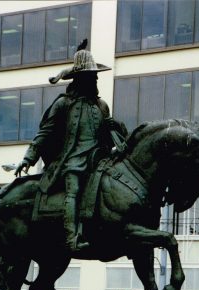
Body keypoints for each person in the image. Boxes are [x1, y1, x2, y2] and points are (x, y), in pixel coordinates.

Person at [15, 40, 127, 252]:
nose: (95, 79)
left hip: (100, 158)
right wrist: (29, 158)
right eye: (91, 76)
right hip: (72, 160)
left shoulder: (101, 105)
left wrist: (115, 126)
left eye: (95, 76)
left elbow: (109, 134)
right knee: (73, 190)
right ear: (80, 79)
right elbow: (45, 133)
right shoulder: (63, 103)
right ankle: (71, 238)